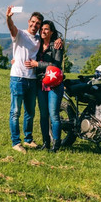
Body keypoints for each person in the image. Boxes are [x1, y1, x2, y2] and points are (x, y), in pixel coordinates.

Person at [6, 6, 44, 154]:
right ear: (28, 22)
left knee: (30, 112)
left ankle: (28, 140)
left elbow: (51, 40)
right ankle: (16, 142)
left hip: (32, 79)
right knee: (15, 112)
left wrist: (59, 39)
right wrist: (9, 18)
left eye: (37, 24)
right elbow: (11, 27)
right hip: (18, 78)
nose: (34, 26)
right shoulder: (20, 34)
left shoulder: (39, 40)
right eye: (33, 22)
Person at [25, 20, 64, 152]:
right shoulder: (37, 43)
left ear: (51, 32)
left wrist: (38, 65)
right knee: (43, 115)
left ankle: (56, 144)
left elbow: (56, 65)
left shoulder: (56, 46)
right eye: (42, 29)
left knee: (54, 115)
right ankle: (45, 143)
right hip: (40, 83)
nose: (43, 31)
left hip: (54, 84)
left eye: (46, 29)